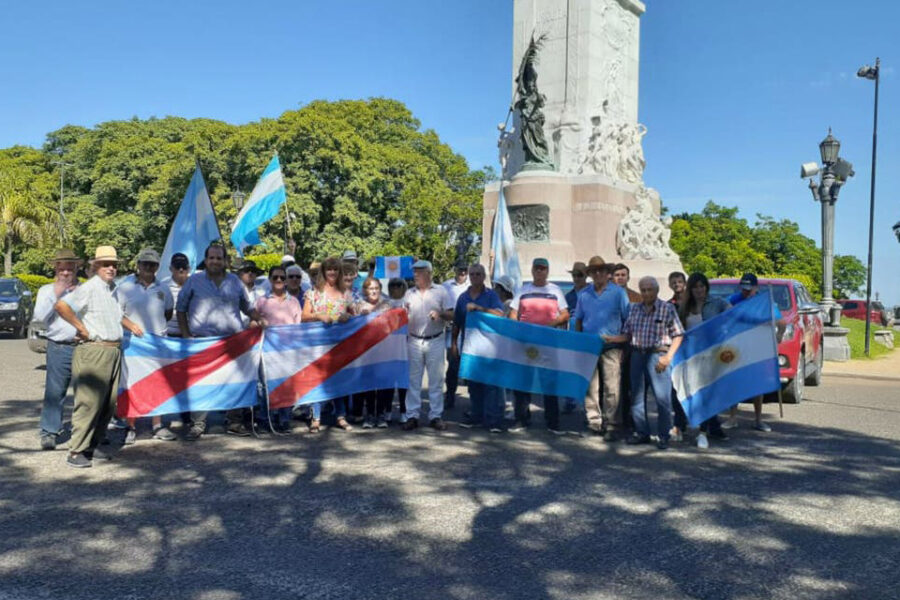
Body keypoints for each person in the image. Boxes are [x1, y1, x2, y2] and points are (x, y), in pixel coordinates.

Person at [54, 246, 131, 468]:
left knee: (107, 404)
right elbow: (62, 306)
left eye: (114, 265)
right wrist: (80, 327)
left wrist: (132, 325)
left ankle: (92, 444)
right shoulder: (90, 287)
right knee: (89, 402)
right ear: (96, 266)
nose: (111, 268)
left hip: (112, 350)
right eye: (106, 264)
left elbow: (117, 316)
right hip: (94, 350)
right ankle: (76, 450)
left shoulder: (112, 290)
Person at [176, 243, 261, 440]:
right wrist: (186, 335)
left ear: (225, 261)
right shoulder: (194, 281)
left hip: (233, 342)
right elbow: (180, 309)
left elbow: (247, 307)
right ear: (206, 260)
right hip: (203, 343)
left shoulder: (235, 282)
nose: (215, 261)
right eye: (211, 258)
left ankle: (234, 422)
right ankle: (198, 424)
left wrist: (260, 319)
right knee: (201, 384)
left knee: (234, 382)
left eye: (219, 258)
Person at [604, 276, 684, 450]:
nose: (646, 293)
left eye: (650, 290)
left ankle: (664, 435)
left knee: (662, 399)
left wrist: (668, 357)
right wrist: (611, 339)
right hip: (637, 355)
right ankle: (642, 432)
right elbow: (628, 334)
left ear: (657, 290)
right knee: (637, 397)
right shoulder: (634, 309)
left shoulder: (667, 308)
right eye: (643, 290)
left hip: (657, 356)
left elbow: (678, 335)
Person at [115, 248, 175, 444]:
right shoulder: (124, 287)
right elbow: (116, 313)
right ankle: (130, 426)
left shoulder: (164, 288)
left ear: (158, 267)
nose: (148, 267)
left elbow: (167, 313)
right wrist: (130, 325)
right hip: (133, 345)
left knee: (158, 384)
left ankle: (157, 425)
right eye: (145, 263)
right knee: (131, 385)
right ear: (138, 265)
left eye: (153, 264)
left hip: (157, 345)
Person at [508, 258, 570, 434]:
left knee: (549, 381)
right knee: (523, 381)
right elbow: (513, 313)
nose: (540, 271)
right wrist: (517, 329)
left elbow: (565, 314)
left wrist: (551, 324)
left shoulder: (555, 290)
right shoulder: (523, 290)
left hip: (547, 343)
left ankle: (552, 422)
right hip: (526, 343)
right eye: (537, 268)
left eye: (543, 268)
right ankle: (521, 419)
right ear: (532, 270)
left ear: (547, 271)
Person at [574, 257, 629, 441]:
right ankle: (594, 422)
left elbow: (627, 319)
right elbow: (579, 319)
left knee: (612, 386)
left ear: (607, 273)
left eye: (601, 270)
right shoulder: (584, 294)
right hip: (589, 346)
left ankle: (612, 424)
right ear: (590, 274)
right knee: (590, 388)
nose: (598, 274)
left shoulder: (618, 293)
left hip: (612, 345)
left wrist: (624, 343)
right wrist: (579, 342)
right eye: (594, 271)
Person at [723, 273, 786, 433]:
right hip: (738, 347)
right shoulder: (733, 299)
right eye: (743, 288)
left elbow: (781, 322)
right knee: (735, 381)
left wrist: (778, 336)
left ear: (756, 288)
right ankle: (732, 418)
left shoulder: (764, 302)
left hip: (757, 347)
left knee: (758, 383)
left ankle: (758, 420)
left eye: (749, 289)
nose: (746, 292)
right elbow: (724, 316)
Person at [677, 273, 731, 448]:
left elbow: (733, 313)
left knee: (706, 394)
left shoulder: (717, 302)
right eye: (695, 287)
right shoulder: (684, 307)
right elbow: (679, 330)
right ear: (690, 289)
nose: (699, 290)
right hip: (690, 356)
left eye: (702, 286)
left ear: (706, 287)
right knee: (691, 393)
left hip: (710, 355)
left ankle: (702, 433)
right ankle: (709, 427)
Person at [302, 256, 355, 432]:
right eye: (329, 269)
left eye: (335, 269)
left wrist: (348, 316)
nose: (332, 272)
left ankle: (340, 416)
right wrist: (318, 315)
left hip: (339, 344)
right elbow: (304, 316)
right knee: (317, 379)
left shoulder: (346, 293)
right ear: (323, 272)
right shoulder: (313, 293)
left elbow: (355, 316)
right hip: (317, 343)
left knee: (338, 378)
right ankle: (316, 418)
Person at [35, 249, 81, 450]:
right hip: (58, 346)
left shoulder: (85, 289)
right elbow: (39, 318)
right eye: (61, 269)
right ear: (55, 268)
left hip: (84, 347)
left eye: (69, 268)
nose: (65, 272)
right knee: (55, 391)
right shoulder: (46, 291)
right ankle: (49, 431)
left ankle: (87, 432)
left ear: (76, 268)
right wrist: (57, 294)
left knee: (87, 392)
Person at [451, 264, 505, 432]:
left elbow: (500, 314)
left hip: (489, 347)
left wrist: (480, 309)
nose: (475, 277)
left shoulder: (491, 295)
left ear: (483, 276)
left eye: (478, 274)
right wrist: (453, 344)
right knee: (473, 384)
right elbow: (457, 322)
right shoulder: (463, 298)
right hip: (470, 347)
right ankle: (476, 416)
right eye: (472, 274)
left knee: (490, 385)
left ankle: (493, 421)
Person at [402, 259, 454, 431]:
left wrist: (440, 314)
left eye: (419, 271)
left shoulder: (441, 291)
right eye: (414, 271)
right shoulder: (409, 293)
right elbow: (402, 315)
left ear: (429, 273)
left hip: (435, 339)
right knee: (413, 380)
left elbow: (452, 314)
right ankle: (412, 416)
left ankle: (435, 416)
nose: (415, 274)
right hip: (414, 340)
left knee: (436, 380)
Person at [255, 265, 303, 432]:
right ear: (270, 279)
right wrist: (257, 322)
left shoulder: (294, 302)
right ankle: (265, 419)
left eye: (282, 277)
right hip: (266, 350)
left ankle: (284, 419)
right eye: (275, 277)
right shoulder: (262, 301)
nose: (279, 280)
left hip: (287, 351)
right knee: (264, 386)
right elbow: (253, 321)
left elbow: (298, 327)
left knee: (286, 384)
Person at [355, 277, 394, 429]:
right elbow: (353, 326)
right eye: (371, 288)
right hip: (366, 350)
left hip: (384, 348)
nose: (374, 291)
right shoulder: (359, 305)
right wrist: (361, 316)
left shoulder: (387, 304)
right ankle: (370, 415)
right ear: (365, 290)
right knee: (369, 384)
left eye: (376, 288)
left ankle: (381, 414)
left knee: (382, 383)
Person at [442, 260, 469, 409]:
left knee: (470, 364)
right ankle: (450, 395)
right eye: (460, 269)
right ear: (455, 270)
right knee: (453, 363)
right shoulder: (446, 286)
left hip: (469, 329)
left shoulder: (472, 285)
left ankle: (474, 402)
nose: (463, 273)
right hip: (452, 328)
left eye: (465, 270)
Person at [386, 278, 409, 423]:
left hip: (404, 344)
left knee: (403, 380)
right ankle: (387, 410)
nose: (395, 288)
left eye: (398, 285)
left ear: (404, 287)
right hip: (388, 345)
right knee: (389, 380)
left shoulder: (408, 302)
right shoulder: (385, 303)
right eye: (392, 285)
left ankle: (403, 410)